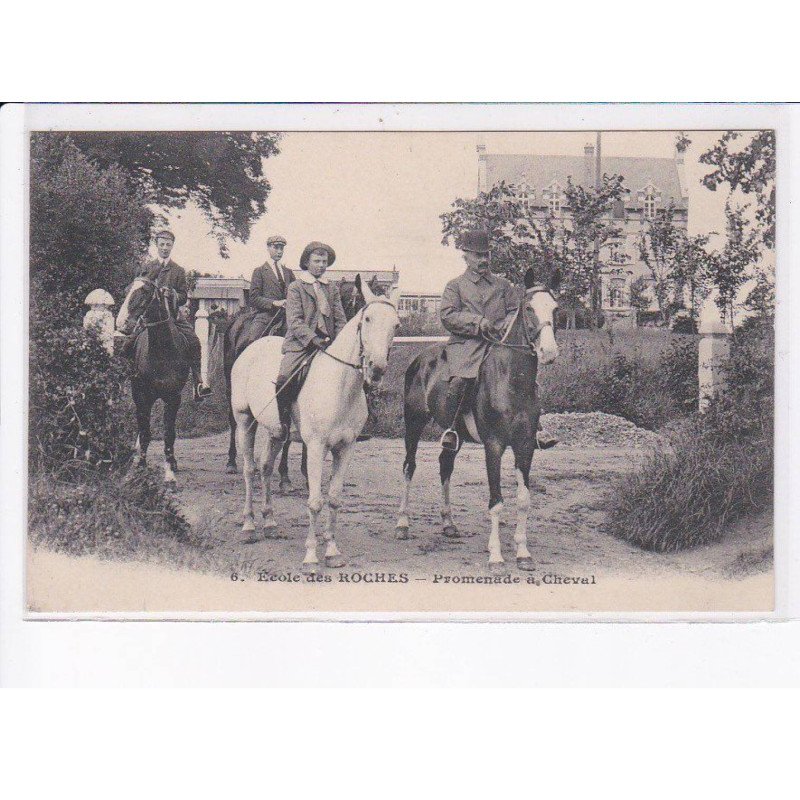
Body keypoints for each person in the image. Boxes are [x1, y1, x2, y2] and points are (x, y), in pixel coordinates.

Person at [439, 229, 558, 451]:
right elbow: (447, 316)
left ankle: (536, 428)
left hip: (499, 342)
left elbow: (516, 311)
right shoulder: (455, 286)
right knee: (460, 382)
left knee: (524, 379)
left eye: (486, 255)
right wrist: (477, 322)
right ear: (465, 256)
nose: (483, 260)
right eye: (477, 255)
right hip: (467, 344)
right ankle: (452, 429)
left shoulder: (503, 285)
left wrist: (505, 324)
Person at [124, 230, 211, 401]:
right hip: (147, 318)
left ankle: (199, 382)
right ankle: (126, 381)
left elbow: (183, 295)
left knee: (193, 341)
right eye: (162, 244)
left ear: (172, 246)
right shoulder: (146, 268)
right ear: (156, 245)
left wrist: (171, 294)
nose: (165, 248)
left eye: (168, 245)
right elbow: (134, 290)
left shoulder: (178, 270)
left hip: (172, 317)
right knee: (128, 344)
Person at [274, 241, 348, 442]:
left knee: (354, 373)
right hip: (302, 344)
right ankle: (284, 424)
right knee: (285, 377)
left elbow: (340, 318)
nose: (321, 265)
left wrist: (339, 341)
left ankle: (350, 423)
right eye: (316, 261)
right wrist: (313, 339)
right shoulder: (296, 287)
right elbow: (295, 321)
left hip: (330, 344)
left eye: (324, 261)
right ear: (306, 263)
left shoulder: (331, 288)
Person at [248, 234, 295, 337]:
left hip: (288, 315)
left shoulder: (288, 272)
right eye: (276, 247)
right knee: (253, 339)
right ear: (268, 248)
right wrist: (274, 303)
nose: (279, 251)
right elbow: (253, 298)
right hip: (266, 316)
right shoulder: (259, 271)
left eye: (281, 248)